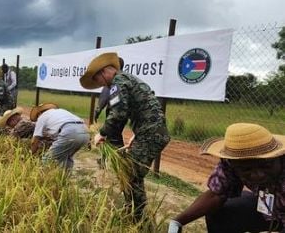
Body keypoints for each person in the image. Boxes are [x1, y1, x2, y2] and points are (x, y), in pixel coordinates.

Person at [80, 52, 170, 221]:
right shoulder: (126, 79)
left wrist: (102, 133)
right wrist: (136, 134)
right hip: (148, 132)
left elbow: (118, 114)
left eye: (98, 80)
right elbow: (144, 109)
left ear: (105, 71)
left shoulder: (118, 82)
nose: (100, 85)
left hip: (150, 134)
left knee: (130, 175)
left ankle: (137, 219)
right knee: (130, 174)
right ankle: (133, 213)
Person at [168, 123, 285, 233]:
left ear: (278, 156)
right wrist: (177, 222)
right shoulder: (232, 163)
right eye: (246, 170)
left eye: (266, 166)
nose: (257, 174)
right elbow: (216, 195)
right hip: (271, 209)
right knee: (223, 210)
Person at [30, 103, 90, 170]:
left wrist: (31, 157)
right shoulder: (61, 111)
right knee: (66, 158)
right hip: (85, 131)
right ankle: (64, 178)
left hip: (70, 132)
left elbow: (34, 141)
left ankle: (44, 179)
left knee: (47, 159)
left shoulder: (42, 117)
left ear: (39, 113)